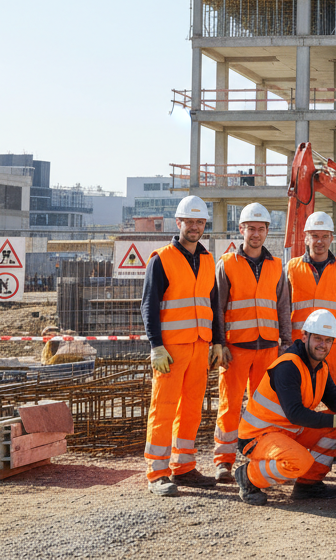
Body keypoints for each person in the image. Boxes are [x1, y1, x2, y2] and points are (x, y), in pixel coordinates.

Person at [140, 195, 224, 496]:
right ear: (178, 223)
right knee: (163, 408)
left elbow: (213, 304)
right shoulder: (161, 259)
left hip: (200, 347)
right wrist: (156, 346)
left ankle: (183, 467)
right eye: (189, 221)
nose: (195, 227)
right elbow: (149, 305)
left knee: (191, 409)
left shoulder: (207, 259)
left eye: (200, 222)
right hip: (171, 350)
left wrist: (217, 342)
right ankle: (157, 473)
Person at [234, 308, 336, 504]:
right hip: (258, 436)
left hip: (288, 432)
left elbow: (335, 399)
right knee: (299, 461)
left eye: (328, 340)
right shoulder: (288, 366)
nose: (323, 345)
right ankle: (249, 476)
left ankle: (309, 484)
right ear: (304, 336)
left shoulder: (320, 367)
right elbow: (295, 413)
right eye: (318, 338)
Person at [211, 202, 292, 482]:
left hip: (268, 348)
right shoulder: (227, 264)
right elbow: (218, 309)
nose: (255, 234)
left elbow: (283, 307)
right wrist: (219, 344)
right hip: (235, 349)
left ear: (267, 231)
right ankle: (224, 460)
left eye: (260, 229)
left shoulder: (276, 266)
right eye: (250, 228)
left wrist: (286, 343)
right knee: (230, 405)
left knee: (265, 407)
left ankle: (260, 455)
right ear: (241, 230)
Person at [287, 210, 336, 463]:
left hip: (332, 349)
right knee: (298, 401)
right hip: (299, 350)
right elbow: (283, 308)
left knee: (334, 400)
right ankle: (295, 450)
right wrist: (284, 343)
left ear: (331, 238)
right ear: (306, 237)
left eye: (324, 236)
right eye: (314, 236)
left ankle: (330, 453)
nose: (319, 241)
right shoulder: (291, 269)